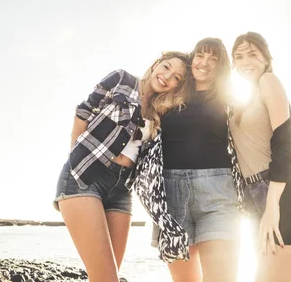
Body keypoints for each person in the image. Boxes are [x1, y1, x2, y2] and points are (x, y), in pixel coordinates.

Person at [54, 51, 191, 282]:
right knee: (107, 279)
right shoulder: (121, 80)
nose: (167, 77)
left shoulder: (162, 111)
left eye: (177, 77)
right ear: (156, 63)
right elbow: (83, 112)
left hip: (121, 189)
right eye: (166, 67)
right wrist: (77, 161)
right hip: (86, 176)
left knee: (108, 277)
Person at [140, 38, 245, 281]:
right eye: (200, 55)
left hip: (217, 194)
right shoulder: (170, 93)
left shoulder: (229, 100)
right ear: (192, 58)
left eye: (214, 59)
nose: (205, 63)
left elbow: (253, 127)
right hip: (171, 195)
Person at [229, 32, 291, 282]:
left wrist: (272, 206)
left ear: (265, 58)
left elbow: (286, 143)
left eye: (252, 54)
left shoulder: (268, 81)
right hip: (255, 199)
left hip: (286, 197)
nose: (245, 61)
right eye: (238, 57)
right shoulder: (241, 102)